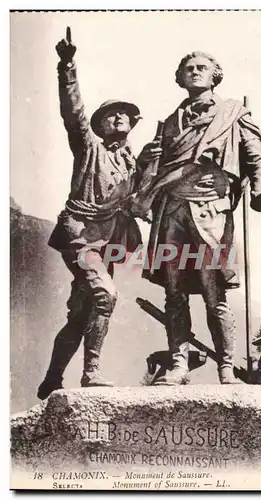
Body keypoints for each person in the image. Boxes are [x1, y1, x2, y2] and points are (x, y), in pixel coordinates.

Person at [133, 51, 261, 385]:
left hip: (210, 210)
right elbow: (151, 172)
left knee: (214, 291)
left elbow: (257, 157)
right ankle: (178, 364)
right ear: (180, 78)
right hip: (171, 211)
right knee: (174, 290)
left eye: (202, 68)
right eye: (188, 70)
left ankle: (226, 367)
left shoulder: (232, 114)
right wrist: (143, 160)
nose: (195, 73)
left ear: (215, 76)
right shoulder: (168, 123)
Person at [37, 28, 143, 400]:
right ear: (99, 125)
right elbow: (74, 111)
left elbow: (146, 198)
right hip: (80, 233)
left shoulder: (134, 164)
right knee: (105, 296)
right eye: (111, 115)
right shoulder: (88, 147)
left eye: (125, 116)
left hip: (109, 241)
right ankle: (91, 373)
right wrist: (67, 66)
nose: (118, 119)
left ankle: (52, 378)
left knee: (81, 314)